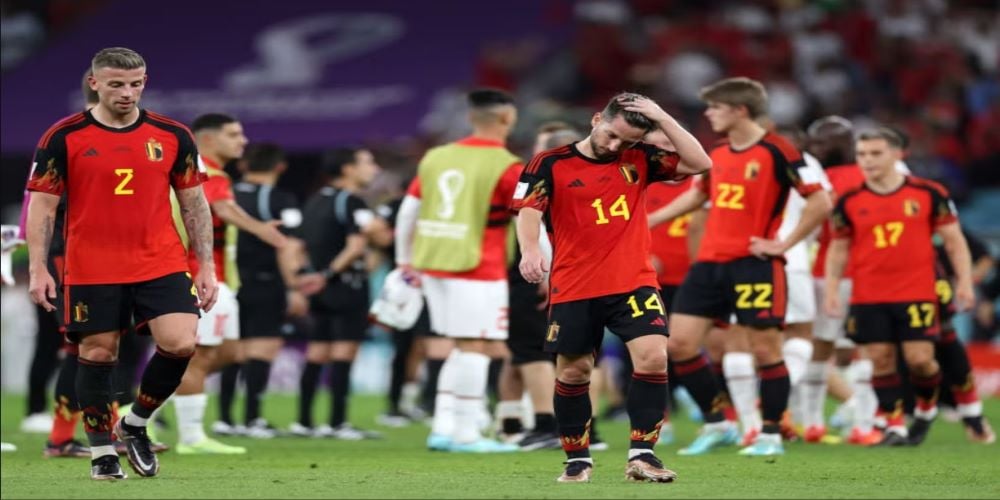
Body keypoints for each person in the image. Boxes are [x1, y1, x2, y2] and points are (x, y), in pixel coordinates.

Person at [25, 47, 218, 480]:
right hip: (91, 265)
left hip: (160, 260)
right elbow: (42, 207)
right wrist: (38, 267)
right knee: (97, 353)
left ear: (144, 82)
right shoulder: (63, 136)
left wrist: (205, 264)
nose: (127, 93)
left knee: (181, 343)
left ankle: (134, 424)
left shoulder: (173, 134)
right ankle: (101, 454)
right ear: (94, 83)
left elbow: (195, 204)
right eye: (116, 84)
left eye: (135, 84)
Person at [515, 92, 711, 482]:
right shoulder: (550, 162)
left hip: (633, 281)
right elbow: (529, 210)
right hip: (575, 284)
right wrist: (530, 250)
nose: (616, 145)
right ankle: (577, 459)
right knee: (574, 372)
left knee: (654, 357)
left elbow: (700, 163)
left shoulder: (640, 158)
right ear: (595, 120)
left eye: (627, 140)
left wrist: (662, 116)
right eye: (611, 135)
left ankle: (643, 455)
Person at [647, 77, 831, 457]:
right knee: (678, 344)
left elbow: (821, 202)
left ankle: (770, 435)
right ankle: (719, 423)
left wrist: (784, 243)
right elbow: (698, 197)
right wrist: (649, 221)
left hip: (754, 264)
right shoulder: (718, 152)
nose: (709, 114)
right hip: (709, 263)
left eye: (715, 107)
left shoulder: (778, 150)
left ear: (740, 110)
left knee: (765, 349)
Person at [824, 127, 973, 446]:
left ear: (897, 154)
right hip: (868, 293)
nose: (867, 161)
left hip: (917, 291)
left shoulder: (929, 193)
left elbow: (954, 241)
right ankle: (894, 425)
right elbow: (838, 248)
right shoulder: (848, 201)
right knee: (879, 359)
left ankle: (926, 408)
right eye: (862, 154)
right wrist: (832, 289)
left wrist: (964, 282)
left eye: (875, 153)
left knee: (920, 360)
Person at [395, 89, 523, 453]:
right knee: (475, 345)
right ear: (507, 119)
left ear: (470, 117)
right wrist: (544, 266)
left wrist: (404, 260)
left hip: (433, 261)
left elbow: (408, 211)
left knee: (457, 344)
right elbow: (528, 220)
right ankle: (467, 434)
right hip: (478, 266)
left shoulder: (436, 157)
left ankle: (443, 427)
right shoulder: (508, 166)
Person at [170, 113, 291, 454]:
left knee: (230, 353)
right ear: (208, 139)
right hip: (201, 276)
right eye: (234, 135)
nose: (243, 141)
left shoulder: (202, 170)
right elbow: (223, 208)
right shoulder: (205, 170)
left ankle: (142, 406)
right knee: (199, 358)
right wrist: (261, 229)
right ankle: (190, 437)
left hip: (219, 277)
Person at [213, 143, 310, 438]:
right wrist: (294, 287)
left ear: (243, 166)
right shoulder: (280, 199)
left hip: (228, 280)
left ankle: (225, 419)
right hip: (266, 282)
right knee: (262, 348)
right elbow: (288, 245)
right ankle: (252, 419)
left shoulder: (226, 194)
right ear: (280, 167)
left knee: (233, 350)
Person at [799, 116, 881, 445]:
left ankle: (815, 421)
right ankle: (861, 422)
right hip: (858, 273)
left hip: (830, 273)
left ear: (842, 143)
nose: (815, 148)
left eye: (821, 142)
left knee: (822, 347)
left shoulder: (818, 179)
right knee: (862, 348)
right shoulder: (872, 176)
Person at [497, 123, 579, 451]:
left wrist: (545, 274)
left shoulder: (540, 180)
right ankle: (511, 424)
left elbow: (537, 227)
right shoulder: (580, 181)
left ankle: (546, 425)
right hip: (551, 272)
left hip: (534, 274)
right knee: (519, 351)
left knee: (532, 351)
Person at [293, 147, 383, 440]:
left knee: (317, 352)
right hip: (344, 285)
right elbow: (356, 246)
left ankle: (304, 421)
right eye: (368, 162)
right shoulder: (351, 201)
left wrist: (307, 277)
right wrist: (327, 275)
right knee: (344, 353)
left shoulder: (315, 199)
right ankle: (337, 423)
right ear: (348, 169)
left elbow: (298, 246)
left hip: (317, 288)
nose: (374, 169)